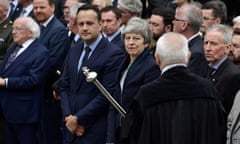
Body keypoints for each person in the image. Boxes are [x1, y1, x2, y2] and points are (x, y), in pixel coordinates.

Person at [119, 32, 225, 144]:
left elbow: (130, 135)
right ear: (188, 57)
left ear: (157, 58)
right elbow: (219, 131)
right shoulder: (208, 90)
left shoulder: (147, 95)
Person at [60, 4, 125, 144]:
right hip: (70, 129)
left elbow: (106, 94)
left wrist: (78, 119)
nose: (84, 28)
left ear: (100, 24)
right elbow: (65, 86)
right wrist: (68, 117)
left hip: (94, 128)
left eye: (89, 23)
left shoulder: (113, 53)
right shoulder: (74, 49)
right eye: (81, 23)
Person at [106, 17, 160, 144]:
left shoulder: (151, 67)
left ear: (146, 42)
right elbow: (114, 101)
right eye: (127, 38)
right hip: (119, 129)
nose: (131, 42)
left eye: (136, 38)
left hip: (137, 131)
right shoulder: (123, 63)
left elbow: (147, 105)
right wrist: (110, 137)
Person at [0, 16, 50, 144]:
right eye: (13, 28)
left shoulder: (40, 52)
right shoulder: (14, 48)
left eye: (18, 29)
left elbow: (34, 80)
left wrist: (6, 82)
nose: (13, 32)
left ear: (30, 32)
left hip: (24, 112)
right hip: (7, 109)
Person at [33, 0, 70, 143]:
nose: (38, 10)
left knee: (50, 136)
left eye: (42, 7)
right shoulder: (39, 28)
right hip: (39, 93)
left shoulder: (58, 30)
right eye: (36, 8)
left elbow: (52, 62)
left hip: (49, 93)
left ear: (53, 7)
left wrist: (28, 71)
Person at [204, 24, 240, 115]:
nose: (208, 49)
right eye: (206, 43)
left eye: (213, 44)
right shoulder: (208, 68)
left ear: (228, 48)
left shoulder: (232, 75)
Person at [173, 3, 208, 77]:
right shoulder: (189, 45)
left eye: (176, 19)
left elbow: (188, 81)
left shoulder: (196, 53)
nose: (173, 22)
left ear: (184, 25)